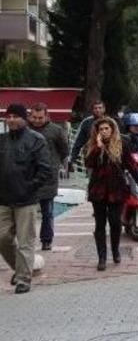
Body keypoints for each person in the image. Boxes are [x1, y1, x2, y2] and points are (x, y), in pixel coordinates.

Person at [0, 104, 53, 294]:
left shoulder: (35, 140)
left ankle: (23, 279)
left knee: (25, 242)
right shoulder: (2, 141)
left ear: (25, 119)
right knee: (2, 238)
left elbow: (45, 169)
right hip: (4, 200)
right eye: (9, 116)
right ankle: (20, 268)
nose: (12, 119)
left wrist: (29, 187)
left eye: (16, 116)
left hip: (26, 200)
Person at [83, 117, 138, 271]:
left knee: (115, 222)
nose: (104, 131)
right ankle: (102, 258)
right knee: (100, 224)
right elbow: (89, 163)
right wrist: (98, 147)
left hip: (116, 188)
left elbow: (130, 164)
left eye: (106, 128)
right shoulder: (92, 145)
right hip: (98, 189)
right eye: (101, 129)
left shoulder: (122, 143)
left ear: (112, 129)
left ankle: (116, 250)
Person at [27, 103, 70, 251]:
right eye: (34, 117)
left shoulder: (56, 131)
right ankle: (28, 241)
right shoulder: (25, 130)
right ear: (29, 116)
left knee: (48, 212)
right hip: (28, 176)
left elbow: (65, 150)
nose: (37, 120)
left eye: (40, 117)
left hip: (48, 177)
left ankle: (46, 240)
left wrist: (61, 165)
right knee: (27, 213)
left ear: (46, 116)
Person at [70, 99, 107, 167]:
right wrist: (72, 159)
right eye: (95, 108)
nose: (98, 110)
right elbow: (78, 142)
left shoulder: (110, 122)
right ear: (92, 110)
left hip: (107, 158)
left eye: (100, 108)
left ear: (104, 109)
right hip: (91, 158)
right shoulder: (86, 122)